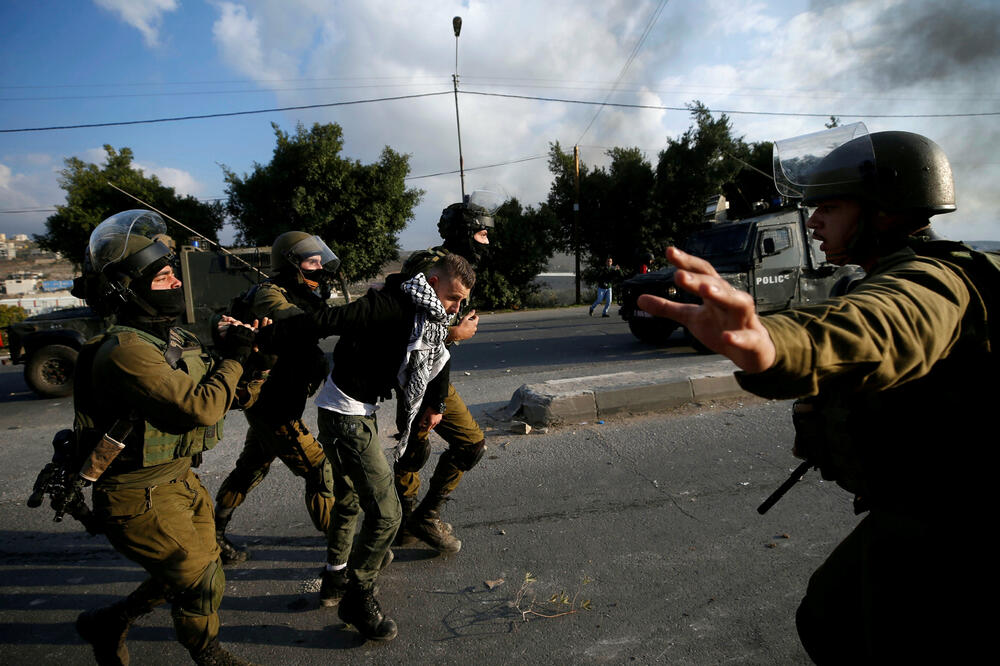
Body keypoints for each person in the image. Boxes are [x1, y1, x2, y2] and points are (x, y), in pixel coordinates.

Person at [638, 126, 996, 663]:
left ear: (884, 212)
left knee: (850, 624)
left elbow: (879, 325)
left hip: (956, 520)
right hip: (922, 503)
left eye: (829, 207)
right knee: (831, 614)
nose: (812, 222)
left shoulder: (932, 282)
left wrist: (773, 346)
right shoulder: (892, 270)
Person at [71, 210, 261, 665]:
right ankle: (207, 653)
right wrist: (235, 359)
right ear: (128, 290)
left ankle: (111, 621)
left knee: (201, 565)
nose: (176, 282)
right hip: (137, 493)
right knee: (199, 579)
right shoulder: (126, 352)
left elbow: (224, 394)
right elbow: (202, 407)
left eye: (173, 273)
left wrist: (256, 361)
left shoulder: (166, 338)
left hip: (178, 479)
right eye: (162, 277)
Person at [260, 251, 475, 641]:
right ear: (432, 282)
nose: (457, 308)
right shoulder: (387, 306)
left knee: (348, 499)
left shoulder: (421, 313)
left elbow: (427, 353)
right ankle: (358, 598)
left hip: (351, 411)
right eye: (454, 298)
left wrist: (438, 390)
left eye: (462, 302)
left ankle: (335, 579)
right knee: (388, 515)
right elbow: (326, 321)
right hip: (347, 416)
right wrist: (261, 336)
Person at [213, 231, 341, 565]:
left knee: (251, 467)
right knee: (319, 470)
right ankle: (342, 550)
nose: (319, 268)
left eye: (320, 261)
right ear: (291, 264)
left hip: (275, 400)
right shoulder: (269, 294)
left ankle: (214, 532)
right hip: (273, 404)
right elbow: (298, 321)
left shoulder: (300, 292)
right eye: (312, 262)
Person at [391, 196, 495, 554]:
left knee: (413, 447)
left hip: (427, 371)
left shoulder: (454, 266)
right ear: (465, 232)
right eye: (482, 234)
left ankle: (405, 523)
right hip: (417, 373)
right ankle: (422, 517)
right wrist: (455, 333)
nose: (487, 242)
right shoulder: (432, 266)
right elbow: (414, 330)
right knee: (467, 444)